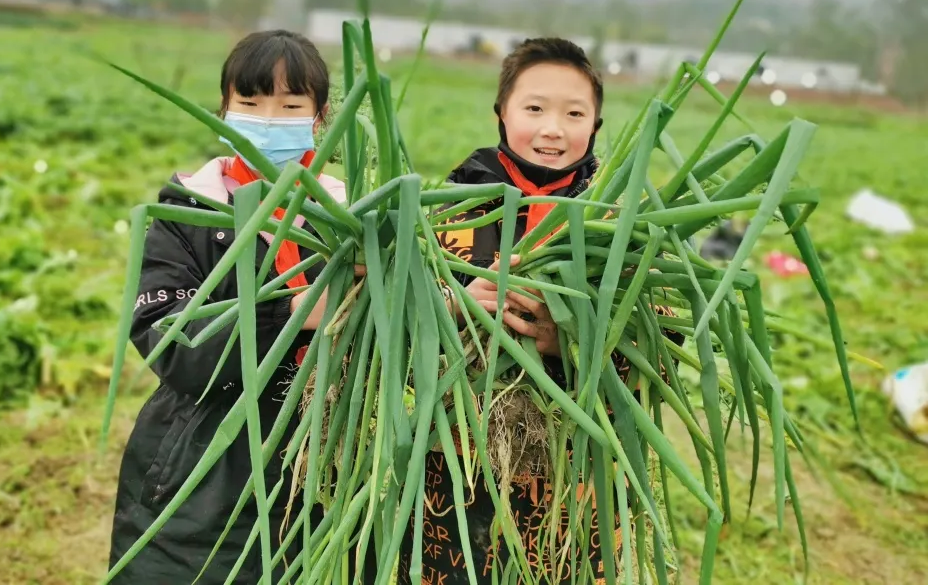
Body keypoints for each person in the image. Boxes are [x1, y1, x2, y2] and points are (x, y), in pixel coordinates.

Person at [400, 38, 677, 585]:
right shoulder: (444, 216)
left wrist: (572, 340)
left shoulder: (626, 230)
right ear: (501, 113)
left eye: (574, 113)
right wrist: (455, 307)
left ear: (595, 126)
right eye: (534, 108)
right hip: (457, 475)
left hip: (579, 483)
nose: (553, 128)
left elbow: (662, 355)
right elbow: (391, 349)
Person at [108, 30, 355, 584]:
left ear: (319, 119)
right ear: (223, 109)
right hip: (201, 475)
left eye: (290, 105)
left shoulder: (352, 219)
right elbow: (170, 341)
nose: (268, 119)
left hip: (319, 478)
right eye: (250, 103)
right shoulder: (187, 213)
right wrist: (292, 312)